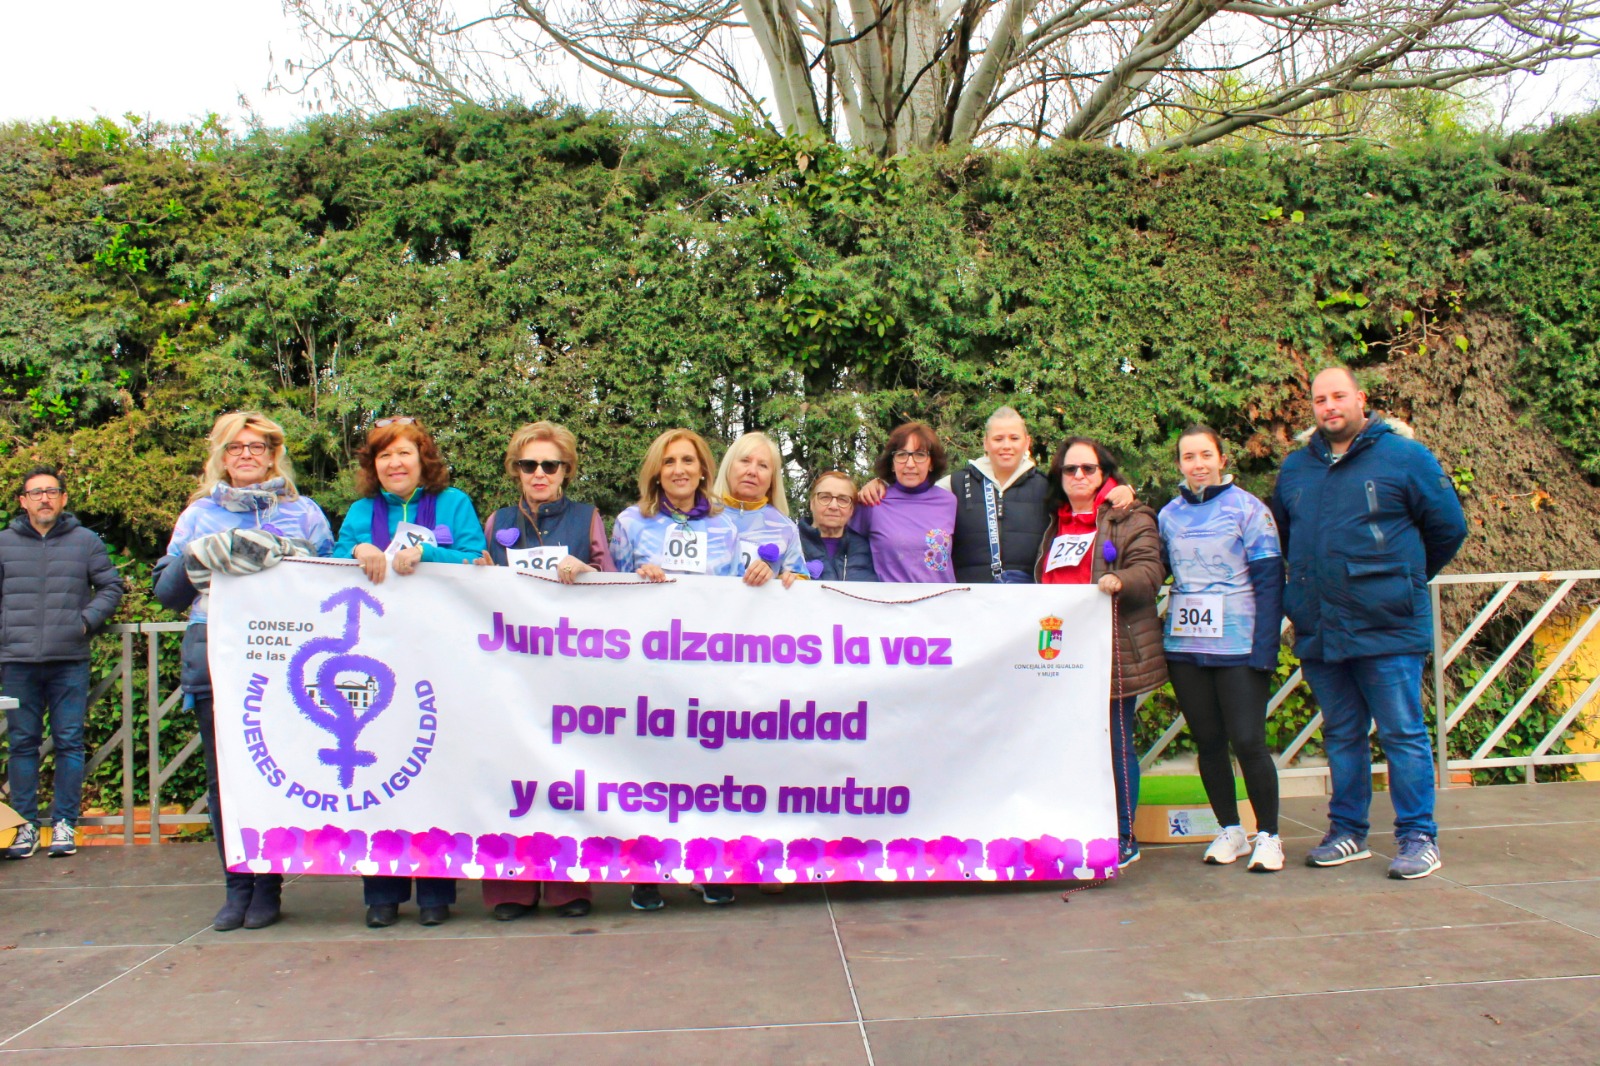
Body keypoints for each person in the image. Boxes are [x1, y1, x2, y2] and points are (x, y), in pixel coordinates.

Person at [1271, 367, 1466, 879]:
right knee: (1341, 734)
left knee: (1402, 733)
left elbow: (1449, 527)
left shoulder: (1405, 457)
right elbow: (1287, 538)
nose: (1329, 406)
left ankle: (1419, 837)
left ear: (1361, 399)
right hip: (1321, 625)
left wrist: (1401, 579)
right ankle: (1347, 832)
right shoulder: (1296, 468)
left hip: (1387, 624)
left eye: (1338, 396)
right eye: (1320, 399)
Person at [153, 414, 334, 930]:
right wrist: (199, 556)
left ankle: (268, 884)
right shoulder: (198, 514)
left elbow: (331, 579)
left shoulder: (304, 513)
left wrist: (289, 557)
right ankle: (237, 884)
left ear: (274, 454)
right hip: (215, 652)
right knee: (223, 777)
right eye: (236, 447)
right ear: (221, 456)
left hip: (283, 658)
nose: (247, 455)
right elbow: (166, 593)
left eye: (257, 446)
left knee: (273, 771)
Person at [335, 416, 486, 925]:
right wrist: (356, 549)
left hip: (441, 655)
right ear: (372, 465)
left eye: (404, 453)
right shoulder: (361, 511)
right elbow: (326, 564)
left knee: (435, 769)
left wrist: (428, 553)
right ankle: (382, 894)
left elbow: (476, 559)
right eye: (384, 455)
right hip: (378, 657)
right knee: (381, 768)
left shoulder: (454, 503)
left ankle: (436, 894)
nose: (394, 463)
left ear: (424, 460)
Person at [477, 421, 616, 920]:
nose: (539, 473)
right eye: (528, 464)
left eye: (549, 465)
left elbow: (613, 582)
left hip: (569, 669)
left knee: (564, 775)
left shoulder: (587, 517)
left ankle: (567, 884)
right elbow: (478, 581)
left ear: (566, 471)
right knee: (510, 777)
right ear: (516, 469)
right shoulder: (496, 521)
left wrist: (589, 571)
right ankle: (509, 887)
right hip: (511, 668)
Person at [610, 428, 743, 910]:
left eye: (688, 460)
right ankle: (646, 873)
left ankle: (706, 868)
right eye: (669, 462)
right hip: (650, 668)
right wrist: (635, 577)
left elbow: (739, 597)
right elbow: (609, 593)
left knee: (706, 770)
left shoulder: (727, 526)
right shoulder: (630, 522)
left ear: (704, 469)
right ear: (656, 471)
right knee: (649, 771)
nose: (679, 469)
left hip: (708, 667)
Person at [1158, 426, 1285, 873]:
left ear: (1222, 458)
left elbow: (1270, 582)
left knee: (1248, 741)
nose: (1198, 464)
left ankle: (1269, 835)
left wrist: (1265, 648)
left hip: (1239, 645)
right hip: (1186, 647)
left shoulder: (1249, 509)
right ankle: (1230, 829)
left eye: (1205, 455)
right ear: (1179, 464)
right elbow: (1156, 567)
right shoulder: (1168, 515)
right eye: (1189, 457)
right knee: (1209, 742)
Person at [1035, 437, 1166, 868]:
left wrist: (1122, 580)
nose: (1079, 476)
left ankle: (1123, 834)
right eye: (1070, 469)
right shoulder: (1053, 522)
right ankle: (1076, 828)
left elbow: (1150, 569)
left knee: (1115, 742)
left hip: (1110, 647)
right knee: (1064, 744)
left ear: (1104, 472)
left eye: (1088, 469)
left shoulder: (1130, 515)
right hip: (1057, 653)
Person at [0, 467, 124, 860]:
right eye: (36, 492)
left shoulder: (85, 541)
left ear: (64, 498)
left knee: (69, 742)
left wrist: (84, 622)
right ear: (23, 501)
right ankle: (24, 828)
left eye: (51, 491)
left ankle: (65, 824)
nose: (44, 498)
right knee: (22, 745)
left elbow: (111, 586)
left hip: (69, 659)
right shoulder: (3, 543)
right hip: (17, 661)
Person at [857, 407, 1133, 581]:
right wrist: (878, 484)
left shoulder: (1047, 485)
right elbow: (912, 496)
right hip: (971, 601)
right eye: (998, 439)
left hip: (1027, 600)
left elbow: (1086, 493)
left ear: (1027, 442)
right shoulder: (954, 485)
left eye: (1014, 438)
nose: (1006, 446)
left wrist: (1121, 488)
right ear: (986, 443)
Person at [847, 422, 957, 583]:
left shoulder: (949, 502)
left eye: (920, 455)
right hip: (890, 598)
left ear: (932, 463)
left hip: (942, 598)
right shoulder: (873, 501)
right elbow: (852, 559)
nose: (910, 464)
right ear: (892, 463)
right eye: (901, 455)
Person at [710, 431, 808, 587]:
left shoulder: (786, 528)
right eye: (745, 461)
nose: (752, 471)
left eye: (763, 466)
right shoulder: (701, 516)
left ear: (772, 478)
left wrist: (784, 580)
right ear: (728, 467)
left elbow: (801, 585)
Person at [798, 472, 878, 581]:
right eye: (825, 497)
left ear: (852, 509)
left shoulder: (867, 549)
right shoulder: (791, 542)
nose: (833, 506)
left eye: (843, 499)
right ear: (812, 503)